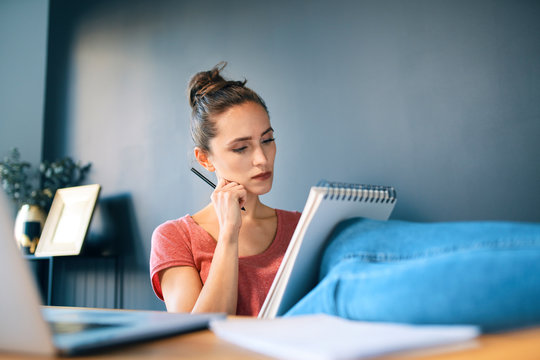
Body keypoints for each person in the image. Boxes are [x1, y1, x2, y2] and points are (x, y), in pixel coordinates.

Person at [150, 63, 301, 316]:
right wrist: (230, 233)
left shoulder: (300, 226)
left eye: (267, 140)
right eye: (241, 148)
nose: (262, 159)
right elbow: (195, 342)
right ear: (205, 159)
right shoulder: (174, 238)